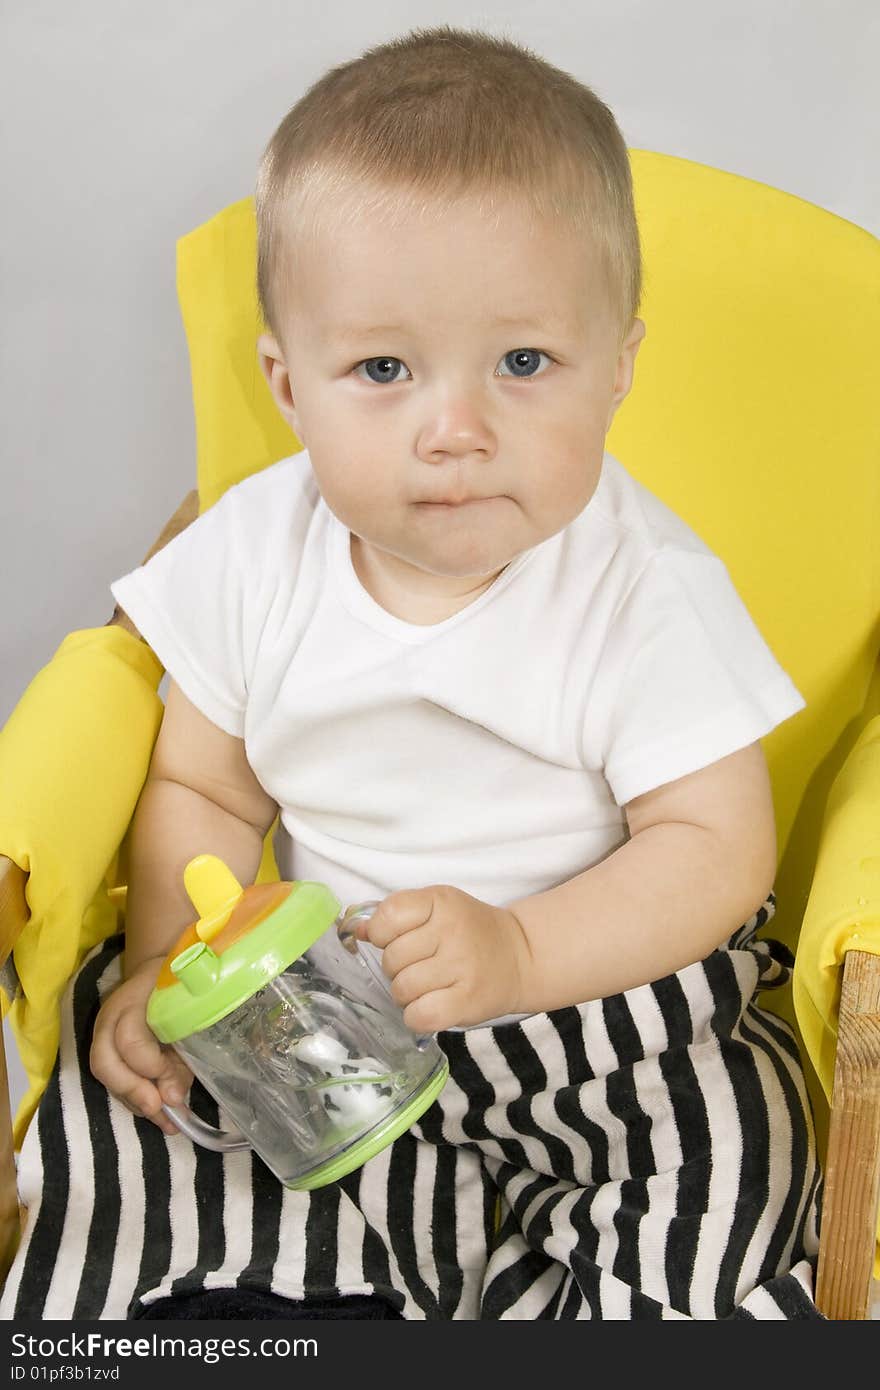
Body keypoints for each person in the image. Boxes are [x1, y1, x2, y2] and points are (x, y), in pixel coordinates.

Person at [8, 25, 823, 1319]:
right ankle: (282, 1300)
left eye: (523, 362)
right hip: (336, 999)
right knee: (168, 1140)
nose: (456, 429)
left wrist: (518, 949)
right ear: (290, 385)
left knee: (722, 1167)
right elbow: (206, 791)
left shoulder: (640, 586)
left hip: (621, 1006)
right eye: (384, 369)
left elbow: (717, 850)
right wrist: (171, 959)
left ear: (618, 365)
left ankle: (630, 1302)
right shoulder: (249, 558)